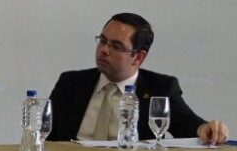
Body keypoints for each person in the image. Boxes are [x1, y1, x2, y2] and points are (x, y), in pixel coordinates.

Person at [48, 12, 228, 144]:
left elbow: (187, 123)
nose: (103, 50)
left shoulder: (160, 87)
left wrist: (205, 128)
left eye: (116, 46)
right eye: (102, 41)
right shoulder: (71, 83)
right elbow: (45, 135)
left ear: (138, 57)